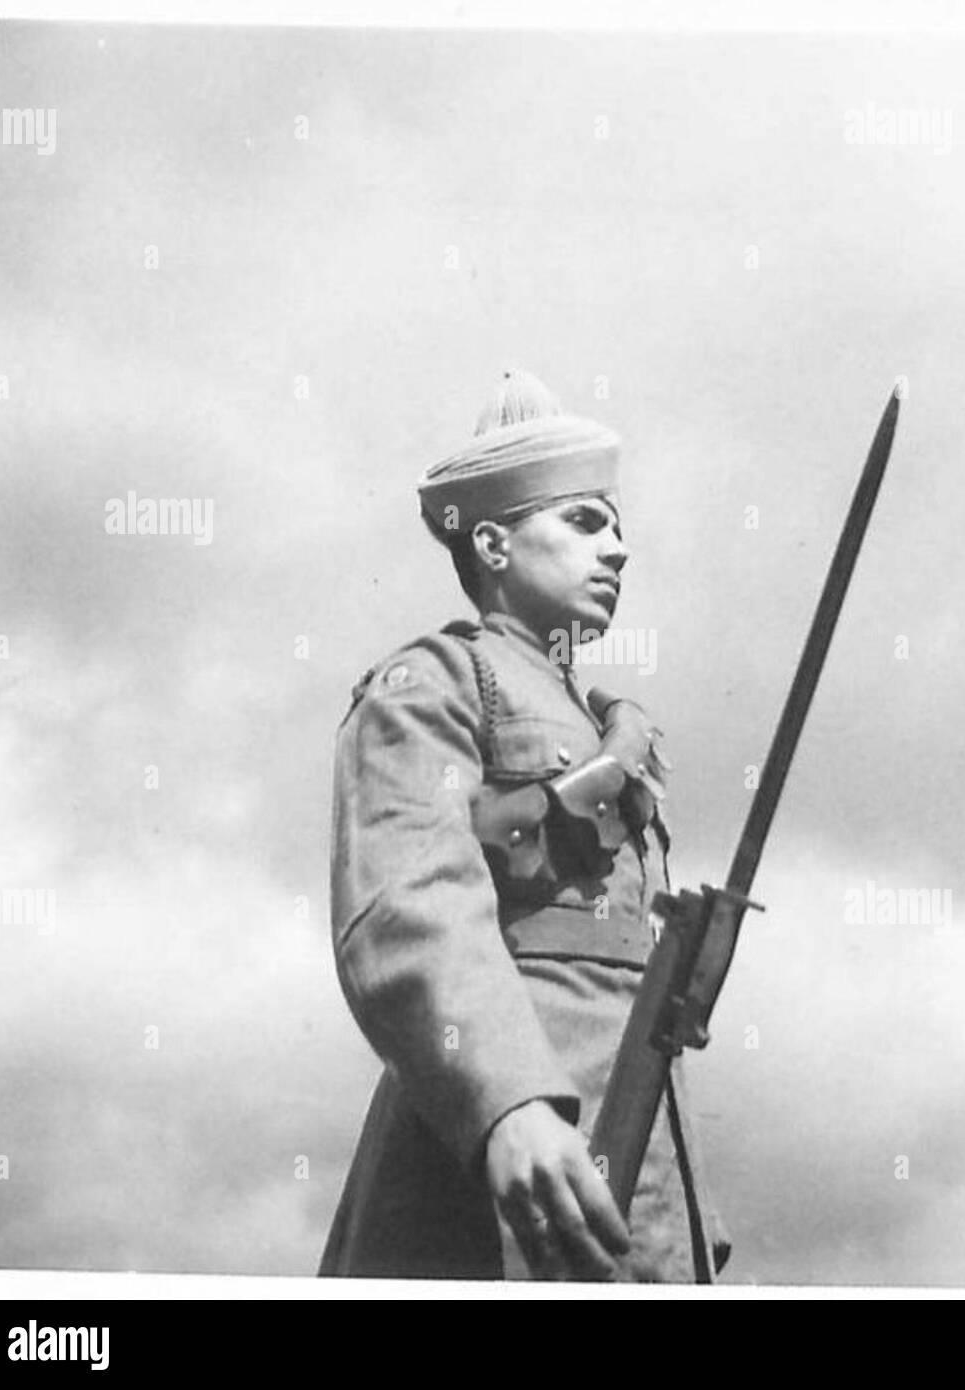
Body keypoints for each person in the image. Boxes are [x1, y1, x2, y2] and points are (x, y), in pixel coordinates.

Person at [319, 370, 727, 1282]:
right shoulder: (435, 682)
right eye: (585, 522)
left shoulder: (604, 724)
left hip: (640, 1161)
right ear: (494, 542)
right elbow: (409, 905)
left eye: (619, 527)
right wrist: (506, 1103)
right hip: (503, 1162)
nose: (617, 549)